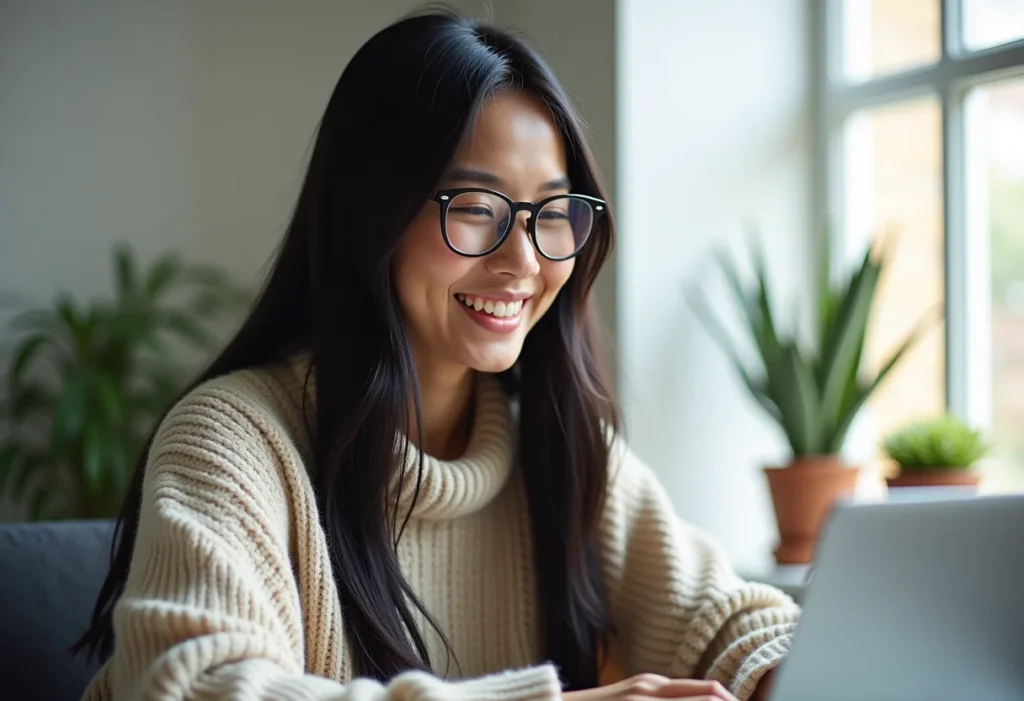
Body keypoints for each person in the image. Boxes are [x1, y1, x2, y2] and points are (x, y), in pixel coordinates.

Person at [73, 10, 799, 701]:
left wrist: (786, 667)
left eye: (552, 212)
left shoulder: (563, 448)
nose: (522, 260)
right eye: (477, 208)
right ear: (372, 215)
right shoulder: (232, 442)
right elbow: (199, 687)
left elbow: (726, 615)